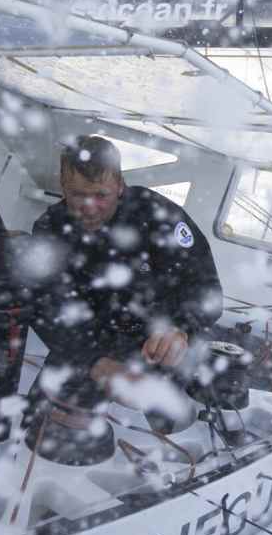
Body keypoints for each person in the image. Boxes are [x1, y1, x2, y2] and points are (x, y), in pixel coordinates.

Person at [21, 135, 223, 420]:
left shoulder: (158, 215)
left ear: (119, 185)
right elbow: (45, 307)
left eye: (101, 195)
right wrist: (95, 362)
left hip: (157, 342)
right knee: (38, 429)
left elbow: (206, 289)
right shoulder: (50, 228)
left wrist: (180, 328)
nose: (89, 206)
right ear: (63, 187)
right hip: (87, 343)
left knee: (170, 436)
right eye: (78, 194)